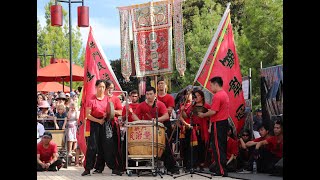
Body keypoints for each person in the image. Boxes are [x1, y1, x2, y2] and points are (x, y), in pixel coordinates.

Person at [131, 86, 179, 174]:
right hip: (146, 131)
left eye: (150, 94)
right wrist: (140, 122)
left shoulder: (159, 104)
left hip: (158, 130)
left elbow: (166, 116)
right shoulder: (141, 105)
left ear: (155, 95)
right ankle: (139, 167)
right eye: (147, 94)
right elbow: (133, 115)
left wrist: (156, 120)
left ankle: (172, 168)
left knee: (165, 147)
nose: (149, 96)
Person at [198, 76, 229, 177]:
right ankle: (221, 169)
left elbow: (213, 111)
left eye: (211, 85)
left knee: (217, 147)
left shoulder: (217, 96)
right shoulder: (224, 94)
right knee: (221, 147)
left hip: (219, 123)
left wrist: (203, 115)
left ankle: (221, 170)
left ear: (216, 84)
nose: (210, 88)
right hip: (223, 122)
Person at [93, 80, 123, 176]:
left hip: (113, 125)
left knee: (112, 147)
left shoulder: (115, 99)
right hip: (101, 124)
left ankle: (116, 167)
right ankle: (99, 167)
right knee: (100, 147)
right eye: (108, 88)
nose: (110, 90)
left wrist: (112, 111)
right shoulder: (100, 98)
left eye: (112, 89)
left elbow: (121, 112)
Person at [81, 79, 109, 176]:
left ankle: (99, 168)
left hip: (104, 123)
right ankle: (88, 168)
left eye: (103, 87)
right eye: (100, 86)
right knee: (92, 146)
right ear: (96, 87)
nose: (101, 89)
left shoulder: (107, 98)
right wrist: (98, 121)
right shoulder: (91, 99)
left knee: (103, 146)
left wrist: (106, 115)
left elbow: (109, 110)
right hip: (93, 123)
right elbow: (88, 115)